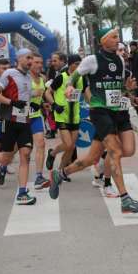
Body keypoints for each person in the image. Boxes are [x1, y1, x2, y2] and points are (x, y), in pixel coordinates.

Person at [48, 27, 138, 214]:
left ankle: (60, 174)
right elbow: (74, 76)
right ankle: (125, 199)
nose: (118, 40)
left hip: (119, 111)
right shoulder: (92, 60)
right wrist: (69, 87)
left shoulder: (119, 60)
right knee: (116, 151)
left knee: (103, 156)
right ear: (103, 40)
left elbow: (119, 88)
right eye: (114, 37)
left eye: (118, 37)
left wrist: (132, 95)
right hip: (100, 112)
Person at [0, 48, 37, 205]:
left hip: (24, 121)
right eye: (28, 58)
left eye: (32, 58)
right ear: (19, 59)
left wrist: (33, 105)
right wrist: (11, 102)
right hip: (9, 121)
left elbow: (24, 97)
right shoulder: (9, 74)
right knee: (7, 157)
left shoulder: (28, 77)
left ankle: (22, 193)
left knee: (25, 154)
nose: (30, 61)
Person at [44, 54, 90, 186]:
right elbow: (47, 93)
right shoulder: (61, 77)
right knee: (68, 144)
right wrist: (54, 105)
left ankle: (59, 173)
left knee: (71, 148)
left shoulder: (82, 78)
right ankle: (52, 153)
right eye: (76, 64)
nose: (79, 66)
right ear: (70, 64)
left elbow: (87, 97)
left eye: (80, 64)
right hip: (61, 115)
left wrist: (95, 105)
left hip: (75, 117)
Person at [29, 53, 50, 190]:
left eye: (41, 63)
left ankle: (38, 176)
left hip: (35, 116)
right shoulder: (23, 78)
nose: (39, 65)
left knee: (41, 144)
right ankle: (2, 164)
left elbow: (41, 97)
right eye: (36, 62)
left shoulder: (42, 78)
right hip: (21, 118)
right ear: (29, 63)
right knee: (13, 150)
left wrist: (43, 104)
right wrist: (31, 94)